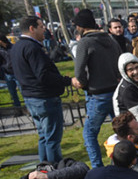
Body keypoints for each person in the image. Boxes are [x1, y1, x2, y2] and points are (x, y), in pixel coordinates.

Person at [10, 16, 72, 163]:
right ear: (32, 29)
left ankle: (44, 167)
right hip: (43, 97)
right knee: (52, 138)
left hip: (31, 96)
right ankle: (54, 170)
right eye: (41, 26)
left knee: (44, 136)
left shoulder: (17, 47)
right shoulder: (32, 48)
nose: (44, 29)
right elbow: (43, 75)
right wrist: (66, 81)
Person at [71, 9, 123, 168]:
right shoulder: (111, 40)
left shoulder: (85, 43)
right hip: (116, 91)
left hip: (98, 94)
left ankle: (97, 168)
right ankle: (126, 161)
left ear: (80, 26)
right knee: (122, 131)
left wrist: (81, 82)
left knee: (89, 134)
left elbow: (79, 72)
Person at [0, 36, 21, 109]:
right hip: (8, 73)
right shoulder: (1, 50)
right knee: (13, 93)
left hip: (16, 72)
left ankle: (28, 108)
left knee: (22, 91)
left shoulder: (13, 47)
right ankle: (18, 108)